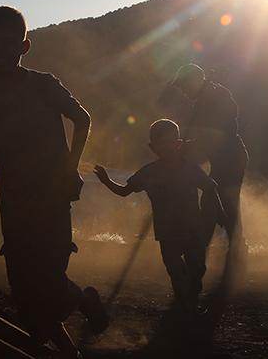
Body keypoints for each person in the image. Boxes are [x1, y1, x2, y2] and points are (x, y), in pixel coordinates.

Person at [0, 6, 107, 357]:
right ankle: (69, 348)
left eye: (9, 44)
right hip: (14, 204)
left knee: (47, 280)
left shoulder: (44, 85)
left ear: (24, 47)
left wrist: (69, 168)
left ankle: (79, 300)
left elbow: (82, 119)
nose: (1, 52)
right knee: (22, 291)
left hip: (51, 199)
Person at [93, 119, 227, 313]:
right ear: (152, 147)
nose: (165, 147)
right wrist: (106, 181)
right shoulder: (149, 173)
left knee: (196, 269)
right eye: (160, 144)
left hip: (192, 229)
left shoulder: (190, 169)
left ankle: (190, 296)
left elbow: (210, 188)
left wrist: (219, 213)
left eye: (169, 142)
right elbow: (124, 191)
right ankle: (185, 305)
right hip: (167, 232)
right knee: (175, 270)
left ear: (178, 143)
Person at [170, 63, 249, 289]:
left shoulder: (215, 97)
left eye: (184, 86)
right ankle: (222, 256)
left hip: (231, 159)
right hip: (224, 158)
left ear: (194, 81)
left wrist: (189, 148)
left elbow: (218, 135)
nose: (183, 91)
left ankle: (231, 258)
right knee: (215, 205)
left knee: (224, 205)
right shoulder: (206, 98)